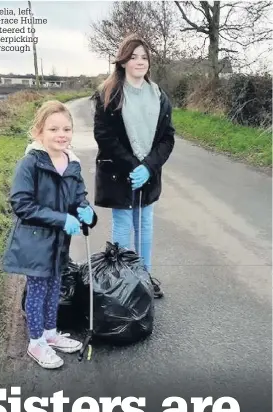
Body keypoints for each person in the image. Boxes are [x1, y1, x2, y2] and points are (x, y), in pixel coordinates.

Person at [3, 100, 97, 369]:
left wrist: (84, 210)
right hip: (34, 241)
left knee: (55, 286)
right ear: (38, 132)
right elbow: (22, 204)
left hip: (58, 242)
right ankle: (35, 342)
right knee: (38, 290)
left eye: (66, 129)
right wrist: (61, 218)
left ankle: (50, 333)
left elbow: (78, 197)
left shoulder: (72, 163)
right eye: (53, 129)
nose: (61, 135)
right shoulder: (29, 163)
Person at [92, 34, 175, 298]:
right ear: (123, 60)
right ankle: (122, 282)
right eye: (133, 56)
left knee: (146, 224)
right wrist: (132, 166)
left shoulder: (159, 96)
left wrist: (149, 166)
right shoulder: (108, 93)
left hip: (148, 172)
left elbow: (167, 137)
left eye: (144, 57)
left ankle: (145, 278)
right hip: (119, 172)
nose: (140, 62)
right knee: (123, 223)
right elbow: (104, 135)